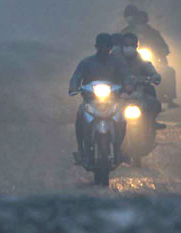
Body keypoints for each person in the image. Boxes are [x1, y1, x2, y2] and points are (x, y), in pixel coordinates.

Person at [68, 32, 129, 165]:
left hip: (113, 101)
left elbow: (126, 76)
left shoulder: (118, 63)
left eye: (107, 46)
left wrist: (128, 87)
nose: (104, 49)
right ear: (96, 46)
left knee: (123, 119)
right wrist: (73, 87)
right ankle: (81, 150)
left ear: (111, 47)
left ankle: (120, 149)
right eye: (101, 46)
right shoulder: (86, 63)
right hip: (90, 101)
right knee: (80, 116)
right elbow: (76, 77)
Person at [119, 32, 165, 129]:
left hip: (139, 93)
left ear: (136, 46)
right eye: (126, 45)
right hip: (118, 93)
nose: (129, 47)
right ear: (122, 46)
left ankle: (151, 122)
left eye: (132, 45)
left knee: (154, 103)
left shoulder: (142, 61)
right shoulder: (114, 60)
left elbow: (152, 72)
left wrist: (155, 77)